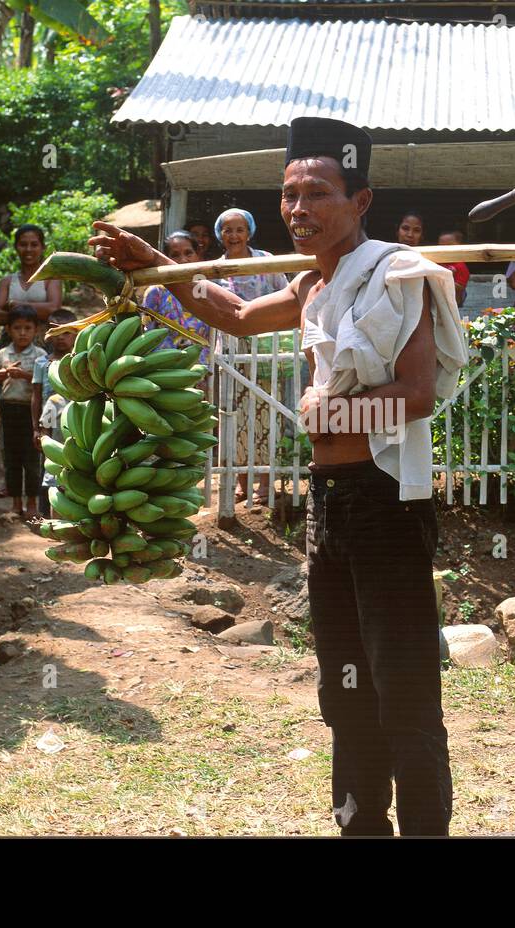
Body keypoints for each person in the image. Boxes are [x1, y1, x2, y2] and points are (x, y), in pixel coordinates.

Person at [89, 115, 469, 836]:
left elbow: (417, 395)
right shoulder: (308, 287)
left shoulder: (399, 276)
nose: (298, 210)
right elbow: (230, 314)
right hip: (329, 506)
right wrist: (149, 261)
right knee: (344, 686)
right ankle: (361, 825)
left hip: (387, 504)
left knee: (405, 689)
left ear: (360, 201)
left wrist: (333, 413)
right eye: (289, 195)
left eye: (317, 193)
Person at [214, 207, 290, 506]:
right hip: (231, 350)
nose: (233, 235)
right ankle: (241, 482)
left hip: (265, 346)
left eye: (239, 229)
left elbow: (285, 295)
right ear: (220, 234)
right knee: (235, 417)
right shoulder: (214, 268)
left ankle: (264, 483)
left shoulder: (266, 261)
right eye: (227, 230)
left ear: (250, 232)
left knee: (266, 414)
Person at [0, 306, 47, 520]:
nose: (22, 333)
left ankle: (32, 503)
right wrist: (1, 376)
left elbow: (45, 383)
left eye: (27, 328)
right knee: (11, 458)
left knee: (31, 458)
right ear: (8, 330)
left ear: (36, 330)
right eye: (17, 328)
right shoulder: (3, 354)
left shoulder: (40, 355)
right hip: (8, 409)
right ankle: (15, 504)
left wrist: (24, 375)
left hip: (30, 410)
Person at [32, 309, 77, 522]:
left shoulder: (82, 361)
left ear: (77, 333)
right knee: (51, 474)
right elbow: (36, 395)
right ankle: (50, 518)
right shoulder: (42, 363)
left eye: (66, 333)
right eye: (55, 332)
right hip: (52, 420)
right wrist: (38, 430)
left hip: (76, 426)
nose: (60, 338)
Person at [142, 231, 212, 365]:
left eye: (188, 253)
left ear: (198, 255)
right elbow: (146, 335)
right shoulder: (156, 292)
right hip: (164, 369)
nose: (183, 260)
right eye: (175, 255)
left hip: (201, 369)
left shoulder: (205, 289)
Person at [0, 224, 62, 349]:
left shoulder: (51, 279)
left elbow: (53, 310)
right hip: (10, 347)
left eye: (34, 244)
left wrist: (15, 306)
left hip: (43, 346)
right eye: (23, 244)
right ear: (16, 248)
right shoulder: (7, 281)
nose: (28, 249)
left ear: (42, 248)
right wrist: (38, 312)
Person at [436, 229, 470, 308]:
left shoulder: (460, 265)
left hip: (456, 296)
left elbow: (461, 287)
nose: (445, 250)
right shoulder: (437, 262)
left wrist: (447, 277)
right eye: (442, 247)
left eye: (449, 247)